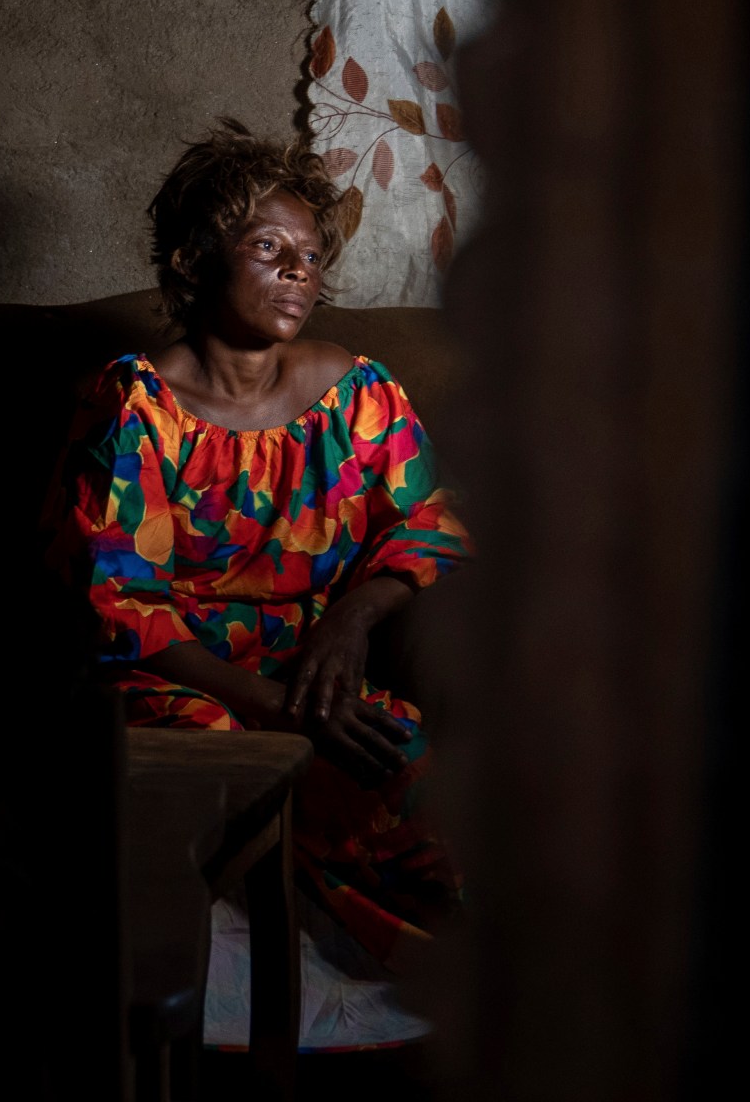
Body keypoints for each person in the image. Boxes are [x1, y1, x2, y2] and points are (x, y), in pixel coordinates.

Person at [48, 121, 470, 964]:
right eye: (268, 247)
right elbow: (113, 599)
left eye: (310, 257)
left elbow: (428, 523)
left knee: (410, 763)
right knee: (223, 773)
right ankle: (239, 982)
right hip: (177, 682)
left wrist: (352, 618)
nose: (297, 273)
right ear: (196, 261)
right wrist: (263, 703)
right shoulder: (134, 410)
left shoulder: (358, 395)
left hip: (310, 673)